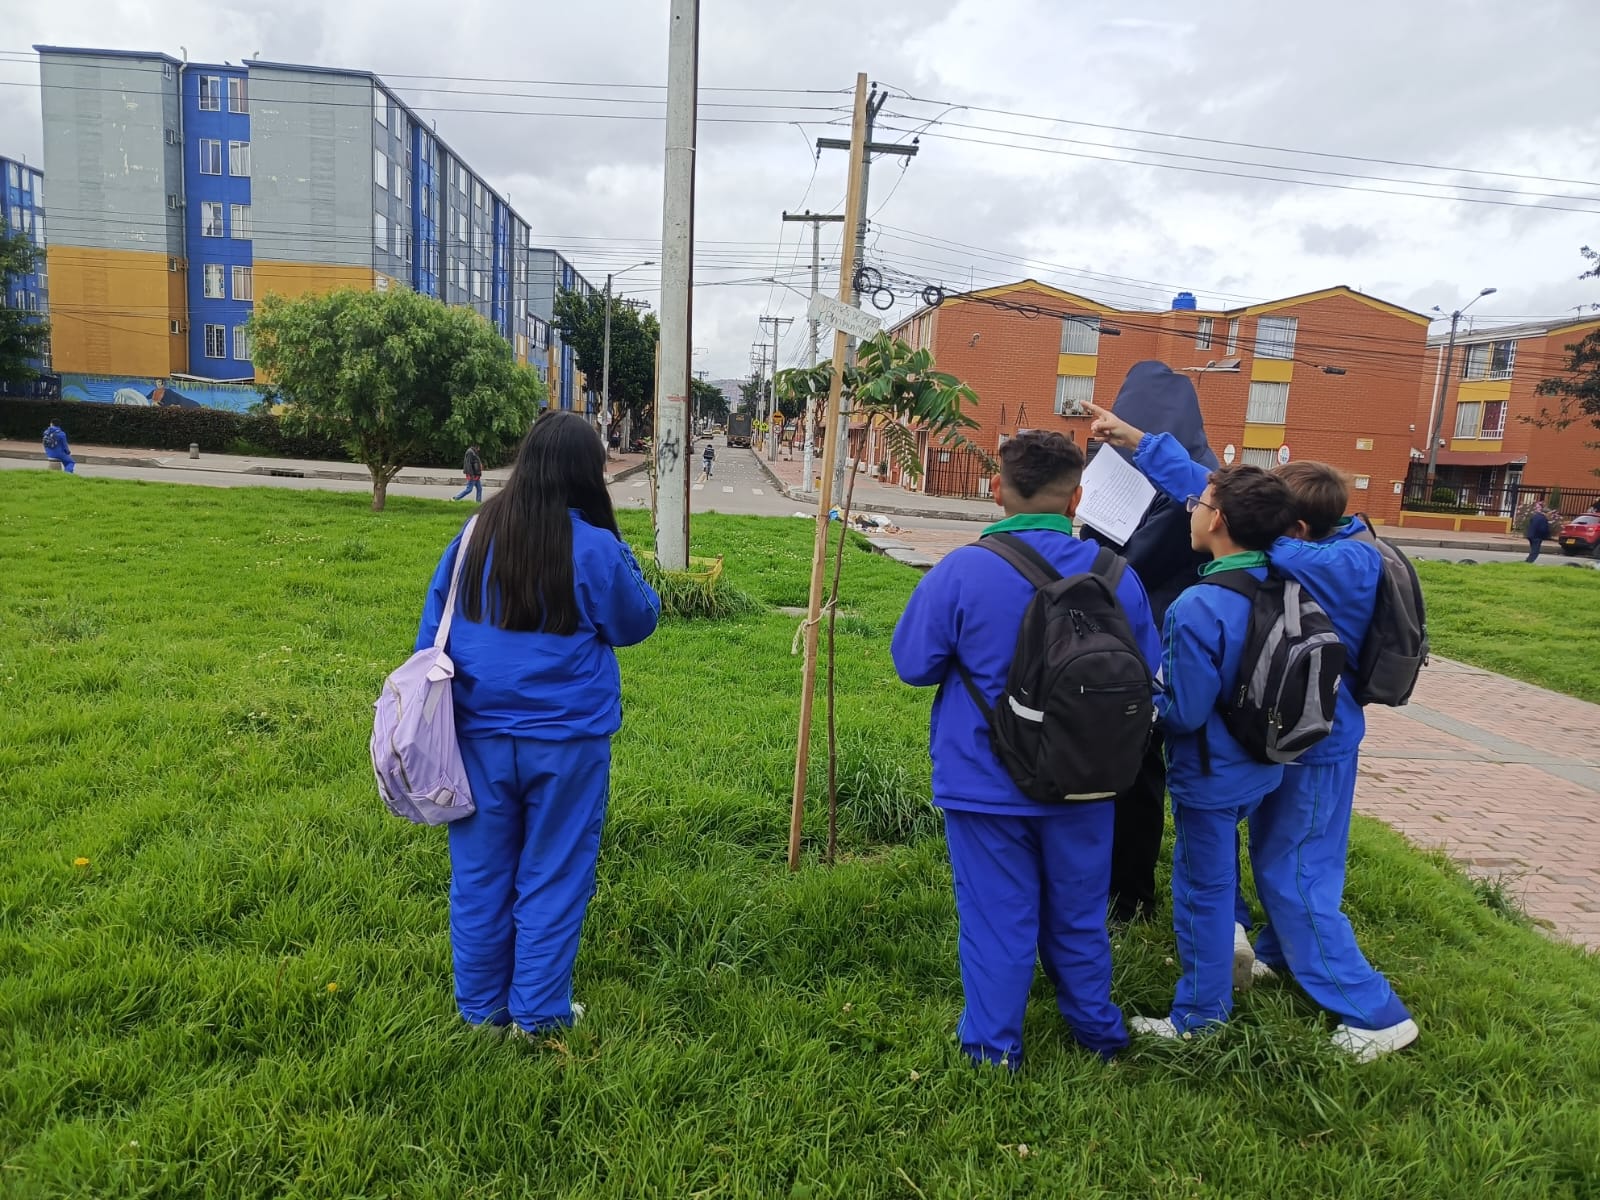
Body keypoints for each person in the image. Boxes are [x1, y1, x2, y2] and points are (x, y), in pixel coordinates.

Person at [890, 431, 1161, 1068]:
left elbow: (913, 664)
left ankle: (993, 1049)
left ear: (997, 489)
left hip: (986, 781)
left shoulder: (964, 569)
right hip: (1088, 778)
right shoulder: (1117, 576)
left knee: (997, 918)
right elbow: (1145, 668)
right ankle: (1098, 1033)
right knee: (1080, 913)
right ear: (1080, 496)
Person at [414, 412, 660, 1039]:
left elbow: (431, 639)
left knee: (479, 876)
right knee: (554, 872)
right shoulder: (597, 546)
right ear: (587, 474)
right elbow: (638, 623)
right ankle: (539, 1013)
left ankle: (480, 1012)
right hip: (568, 742)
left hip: (474, 737)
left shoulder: (473, 534)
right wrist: (616, 541)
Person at [1090, 402, 1294, 1038]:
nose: (1189, 509)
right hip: (1263, 761)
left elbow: (1183, 709)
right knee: (1239, 868)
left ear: (1222, 523)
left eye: (1199, 504)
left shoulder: (1197, 605)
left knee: (1201, 891)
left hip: (1209, 769)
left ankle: (1200, 1018)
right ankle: (1264, 957)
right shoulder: (1279, 576)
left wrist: (1143, 695)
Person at [1243, 462, 1419, 1060]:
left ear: (1294, 525)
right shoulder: (1339, 541)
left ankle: (1373, 1011)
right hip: (1310, 735)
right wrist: (1143, 442)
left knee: (1296, 871)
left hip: (1319, 743)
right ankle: (1278, 952)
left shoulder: (1340, 563)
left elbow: (1241, 520)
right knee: (1281, 855)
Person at [1080, 363, 1218, 925]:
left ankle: (1121, 892)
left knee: (1123, 767)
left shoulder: (1146, 476)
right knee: (1144, 774)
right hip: (1173, 640)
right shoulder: (1202, 477)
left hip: (1130, 635)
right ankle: (1131, 893)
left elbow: (1110, 555)